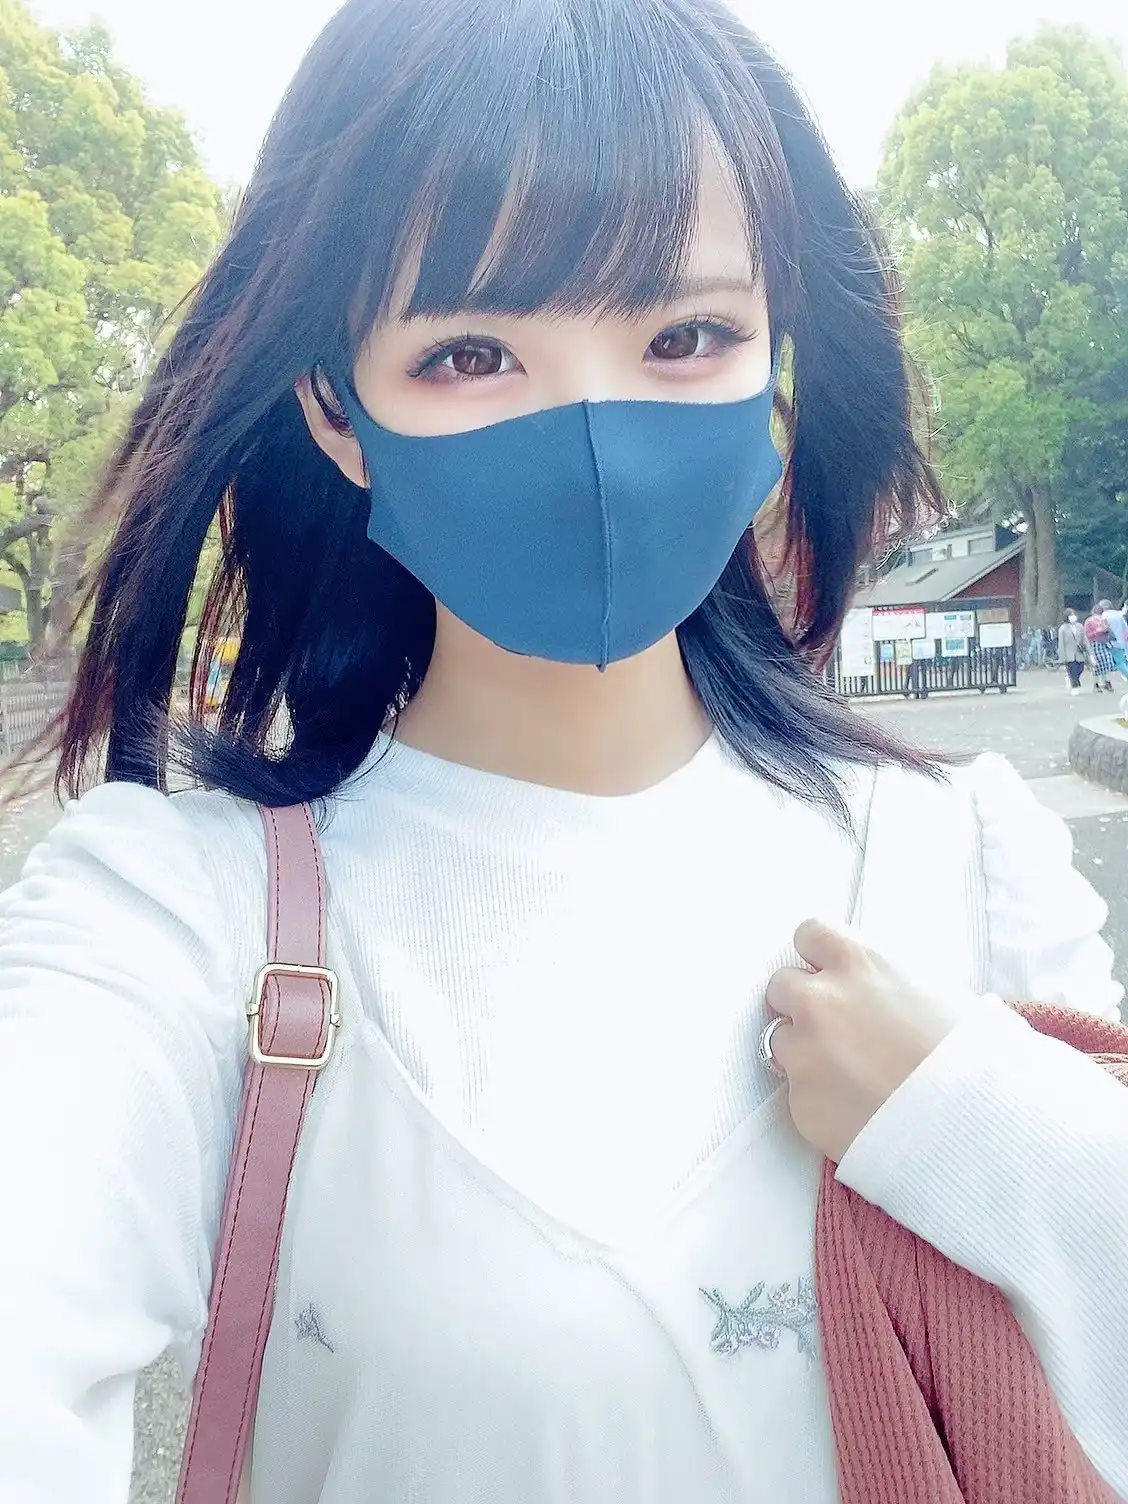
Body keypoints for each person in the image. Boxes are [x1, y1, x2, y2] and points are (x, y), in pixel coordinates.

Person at [2, 1, 1127, 1500]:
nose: (595, 434)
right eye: (472, 351)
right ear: (334, 407)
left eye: (686, 336)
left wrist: (971, 1119)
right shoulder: (181, 917)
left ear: (778, 366)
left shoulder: (967, 860)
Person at [1086, 603, 1119, 692]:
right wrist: (1098, 631)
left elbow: (1109, 630)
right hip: (1095, 643)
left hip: (1104, 642)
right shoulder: (1090, 621)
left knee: (1105, 663)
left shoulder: (1103, 620)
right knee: (1098, 665)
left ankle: (1105, 682)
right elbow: (1088, 634)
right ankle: (1097, 684)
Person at [1058, 608, 1089, 695]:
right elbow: (1061, 644)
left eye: (1073, 615)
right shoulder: (1063, 628)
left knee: (1080, 668)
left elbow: (1084, 639)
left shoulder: (1079, 626)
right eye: (1070, 615)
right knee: (1073, 670)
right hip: (1069, 654)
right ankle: (1074, 686)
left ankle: (1072, 680)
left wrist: (1088, 650)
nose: (1073, 617)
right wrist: (1063, 657)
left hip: (1079, 652)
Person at [1100, 599, 1128, 681]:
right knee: (1124, 660)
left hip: (1112, 642)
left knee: (1119, 663)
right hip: (1123, 641)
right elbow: (1125, 628)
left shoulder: (1103, 616)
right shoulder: (1118, 614)